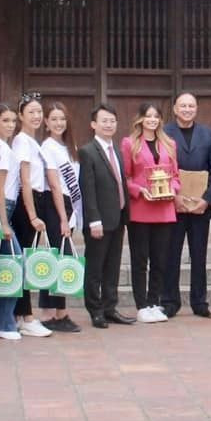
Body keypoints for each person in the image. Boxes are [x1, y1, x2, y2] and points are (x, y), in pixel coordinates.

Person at [7, 94, 61, 339]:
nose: (37, 116)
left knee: (25, 259)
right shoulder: (21, 141)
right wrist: (31, 215)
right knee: (25, 259)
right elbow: (24, 180)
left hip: (37, 199)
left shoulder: (33, 141)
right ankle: (26, 317)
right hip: (26, 203)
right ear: (21, 115)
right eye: (31, 112)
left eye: (39, 112)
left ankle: (20, 314)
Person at [162, 92, 211, 319]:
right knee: (171, 254)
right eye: (182, 106)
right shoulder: (164, 133)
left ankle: (199, 302)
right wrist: (173, 197)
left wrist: (207, 200)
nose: (187, 109)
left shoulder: (209, 134)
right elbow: (161, 167)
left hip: (199, 206)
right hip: (173, 204)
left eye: (191, 106)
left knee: (199, 254)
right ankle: (169, 301)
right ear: (175, 109)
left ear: (196, 109)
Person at [122, 103, 181, 322]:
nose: (152, 120)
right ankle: (141, 305)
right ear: (140, 119)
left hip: (164, 209)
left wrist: (172, 189)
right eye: (148, 116)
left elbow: (175, 175)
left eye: (156, 116)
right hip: (141, 209)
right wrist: (139, 190)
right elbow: (125, 177)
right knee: (140, 259)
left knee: (160, 259)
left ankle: (154, 302)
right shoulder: (130, 144)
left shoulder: (169, 143)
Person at [78, 103, 131, 329]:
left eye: (112, 121)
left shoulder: (116, 150)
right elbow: (87, 188)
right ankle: (95, 310)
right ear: (93, 125)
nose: (109, 125)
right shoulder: (87, 151)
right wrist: (94, 220)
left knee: (112, 266)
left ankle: (110, 307)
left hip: (118, 217)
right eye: (104, 121)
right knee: (95, 268)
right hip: (99, 220)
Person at [43, 103, 84, 334]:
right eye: (54, 119)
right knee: (58, 258)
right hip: (55, 205)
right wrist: (61, 218)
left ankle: (58, 312)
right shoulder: (48, 147)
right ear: (46, 123)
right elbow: (55, 185)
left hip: (69, 205)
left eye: (62, 119)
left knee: (62, 257)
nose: (59, 123)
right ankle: (53, 314)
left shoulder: (69, 147)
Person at [0, 103, 24, 339]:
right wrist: (3, 222)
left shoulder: (6, 148)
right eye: (5, 121)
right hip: (1, 209)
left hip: (8, 208)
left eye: (12, 121)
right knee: (13, 263)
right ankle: (0, 321)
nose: (10, 125)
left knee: (4, 265)